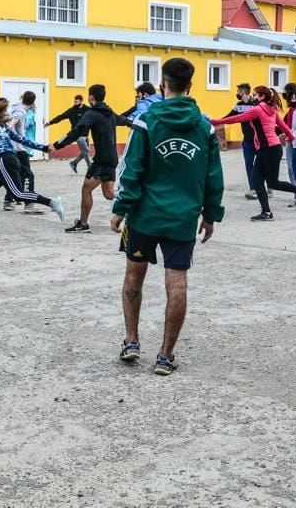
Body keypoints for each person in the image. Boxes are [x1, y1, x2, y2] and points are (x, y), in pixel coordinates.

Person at [111, 58, 224, 376]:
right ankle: (165, 355)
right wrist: (211, 214)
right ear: (190, 86)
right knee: (177, 282)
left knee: (134, 275)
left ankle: (131, 340)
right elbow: (214, 175)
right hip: (183, 218)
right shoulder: (204, 126)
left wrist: (121, 208)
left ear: (163, 84)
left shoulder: (146, 120)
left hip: (144, 216)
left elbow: (132, 168)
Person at [0, 99, 64, 234]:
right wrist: (44, 148)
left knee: (17, 193)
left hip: (3, 160)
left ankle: (52, 203)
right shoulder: (3, 126)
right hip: (10, 159)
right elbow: (22, 139)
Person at [210, 86, 296, 221]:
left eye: (255, 95)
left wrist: (215, 122)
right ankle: (267, 212)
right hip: (268, 149)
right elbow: (283, 128)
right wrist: (291, 138)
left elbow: (237, 118)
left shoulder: (257, 110)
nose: (253, 97)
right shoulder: (272, 109)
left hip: (269, 149)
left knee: (272, 183)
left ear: (262, 97)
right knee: (259, 181)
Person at [52, 84, 118, 233]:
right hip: (112, 157)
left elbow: (76, 132)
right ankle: (136, 203)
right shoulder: (110, 112)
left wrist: (56, 145)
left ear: (91, 97)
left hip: (101, 160)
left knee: (86, 189)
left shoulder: (92, 113)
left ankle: (83, 224)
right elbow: (123, 120)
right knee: (109, 194)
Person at [5, 91, 40, 213]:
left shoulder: (15, 107)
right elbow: (11, 124)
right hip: (19, 148)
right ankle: (29, 203)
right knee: (28, 174)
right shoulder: (21, 112)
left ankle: (8, 201)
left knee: (15, 174)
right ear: (33, 101)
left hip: (11, 148)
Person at [223, 83, 259, 200]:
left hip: (259, 140)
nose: (237, 94)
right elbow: (229, 117)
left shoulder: (256, 104)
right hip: (247, 141)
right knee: (249, 164)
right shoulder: (238, 106)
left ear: (245, 92)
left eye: (239, 91)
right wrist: (216, 121)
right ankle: (253, 189)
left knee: (262, 164)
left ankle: (268, 186)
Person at [45, 94, 91, 173]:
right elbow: (61, 117)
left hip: (85, 134)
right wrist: (50, 122)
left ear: (81, 101)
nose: (75, 104)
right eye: (74, 102)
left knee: (86, 151)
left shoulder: (88, 110)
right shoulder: (72, 110)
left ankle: (74, 163)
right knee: (85, 151)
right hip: (77, 134)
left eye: (76, 102)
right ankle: (91, 168)